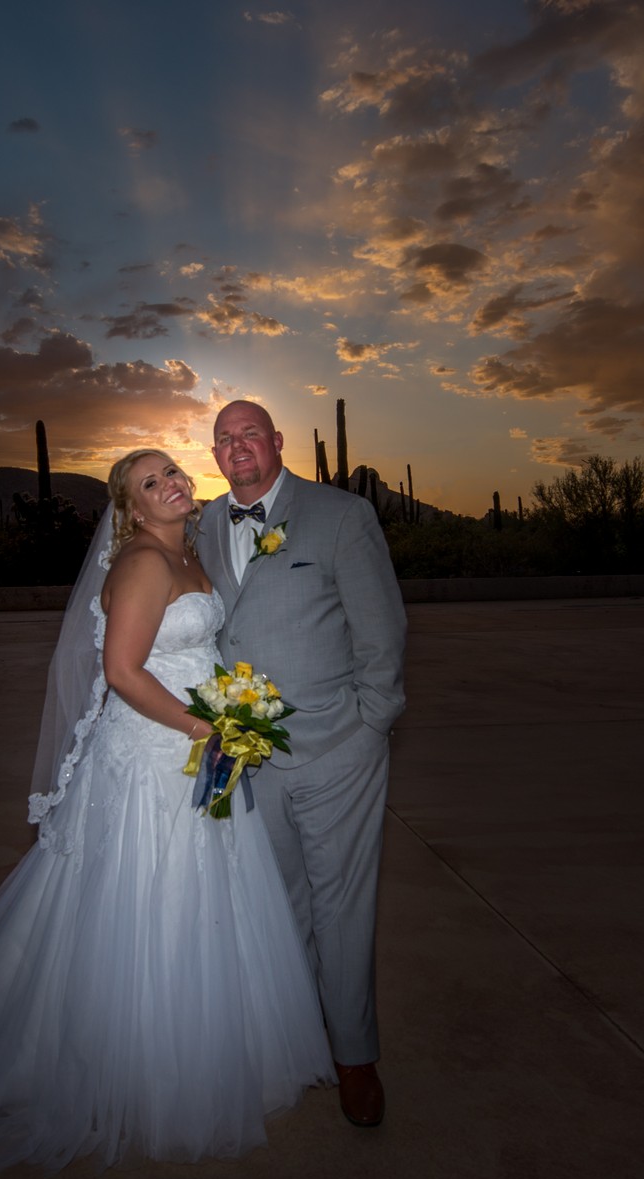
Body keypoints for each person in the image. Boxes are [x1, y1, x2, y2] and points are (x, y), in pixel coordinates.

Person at [0, 448, 332, 1174]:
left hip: (196, 750)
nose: (171, 483)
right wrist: (209, 729)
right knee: (152, 895)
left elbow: (199, 648)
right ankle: (135, 1067)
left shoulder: (190, 556)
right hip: (155, 757)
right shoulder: (145, 562)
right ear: (133, 508)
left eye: (173, 470)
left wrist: (231, 715)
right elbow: (121, 671)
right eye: (151, 482)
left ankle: (202, 1046)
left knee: (208, 894)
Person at [199, 400, 407, 1127]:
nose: (237, 447)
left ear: (278, 442)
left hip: (337, 751)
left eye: (249, 432)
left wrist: (369, 725)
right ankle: (294, 1041)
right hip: (248, 755)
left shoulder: (341, 515)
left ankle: (355, 1056)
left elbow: (382, 632)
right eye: (224, 438)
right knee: (276, 905)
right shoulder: (198, 526)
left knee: (340, 904)